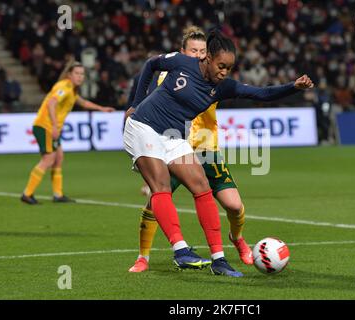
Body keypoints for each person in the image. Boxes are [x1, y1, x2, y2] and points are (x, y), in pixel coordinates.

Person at [123, 30, 313, 277]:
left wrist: (293, 87)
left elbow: (261, 94)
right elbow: (151, 64)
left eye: (229, 68)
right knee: (161, 185)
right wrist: (136, 103)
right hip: (143, 126)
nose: (224, 72)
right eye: (221, 66)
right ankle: (180, 251)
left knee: (202, 186)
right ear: (208, 58)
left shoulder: (223, 88)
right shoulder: (182, 63)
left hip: (173, 136)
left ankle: (219, 259)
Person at [126, 26, 254, 274]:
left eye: (202, 51)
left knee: (234, 206)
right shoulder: (172, 74)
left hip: (205, 147)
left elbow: (244, 90)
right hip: (171, 142)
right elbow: (151, 114)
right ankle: (144, 257)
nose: (198, 55)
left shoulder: (214, 76)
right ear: (183, 52)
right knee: (155, 198)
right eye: (193, 50)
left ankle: (236, 241)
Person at [21, 61, 115, 205]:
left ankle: (58, 195)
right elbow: (51, 103)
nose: (80, 76)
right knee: (48, 159)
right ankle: (27, 194)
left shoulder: (71, 89)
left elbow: (83, 103)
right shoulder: (63, 86)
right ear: (69, 74)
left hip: (49, 127)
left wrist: (102, 109)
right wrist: (53, 126)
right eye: (77, 73)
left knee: (58, 157)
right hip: (45, 126)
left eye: (82, 74)